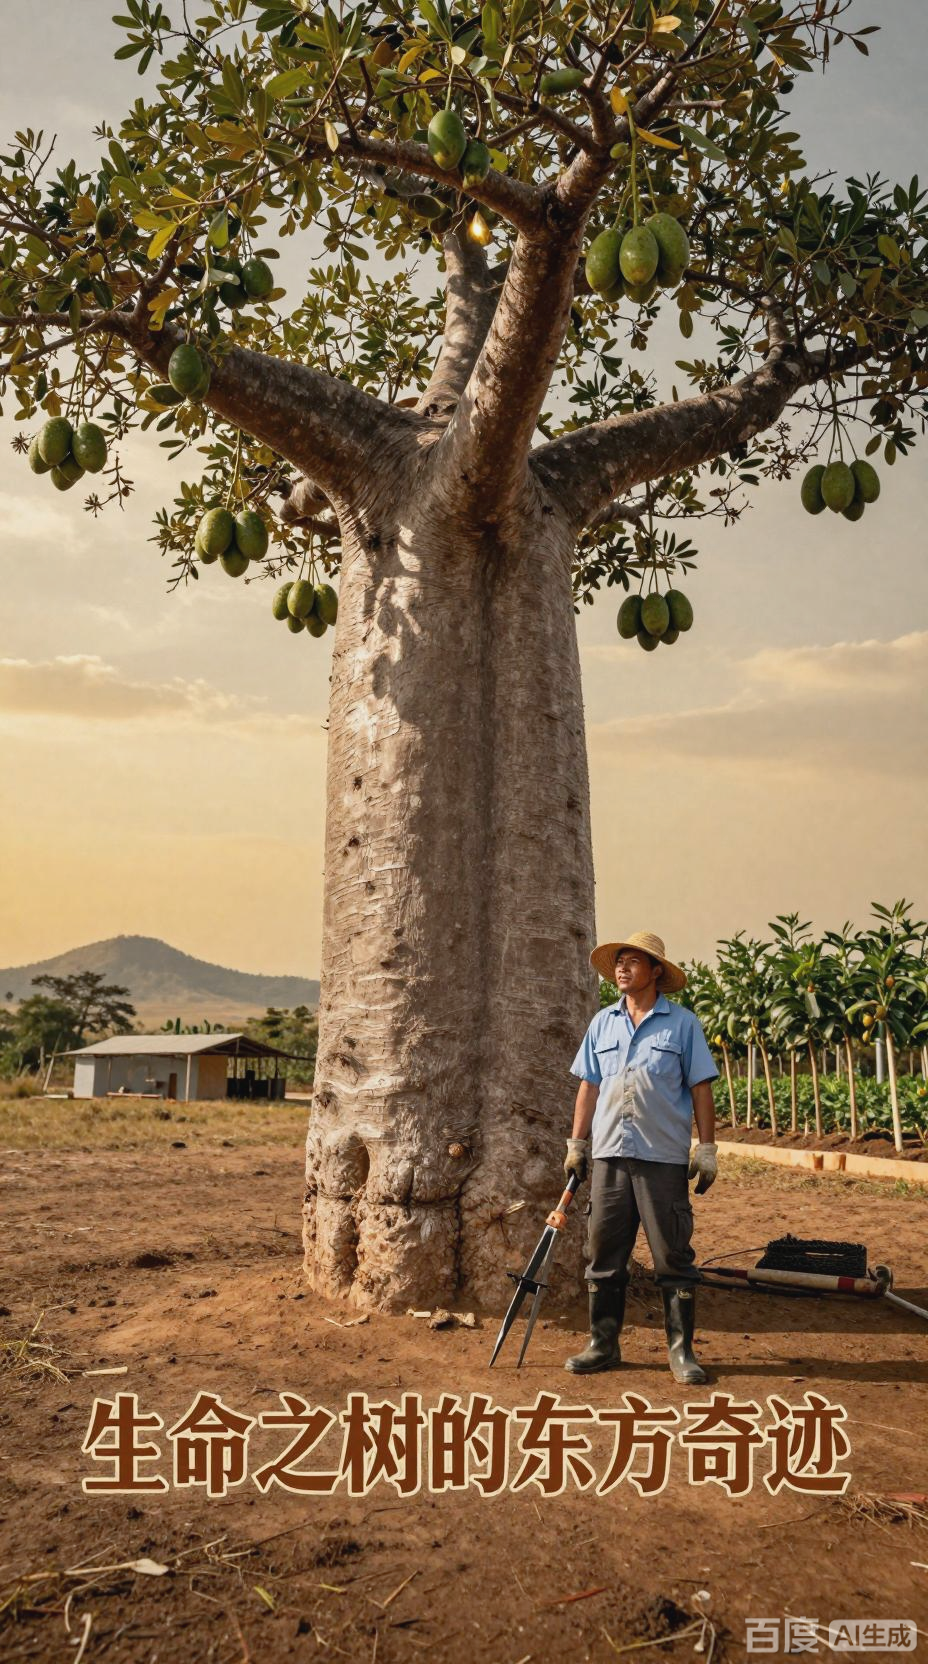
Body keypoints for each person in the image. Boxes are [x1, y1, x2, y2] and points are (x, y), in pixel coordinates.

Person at [562, 931, 719, 1384]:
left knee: (672, 1255)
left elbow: (700, 1087)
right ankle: (602, 1343)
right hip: (610, 1153)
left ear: (656, 973)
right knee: (604, 1252)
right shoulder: (602, 1024)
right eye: (619, 962)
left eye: (634, 962)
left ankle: (681, 1351)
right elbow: (588, 1086)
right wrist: (577, 1144)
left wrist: (706, 1148)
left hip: (661, 1158)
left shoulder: (682, 1025)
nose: (622, 968)